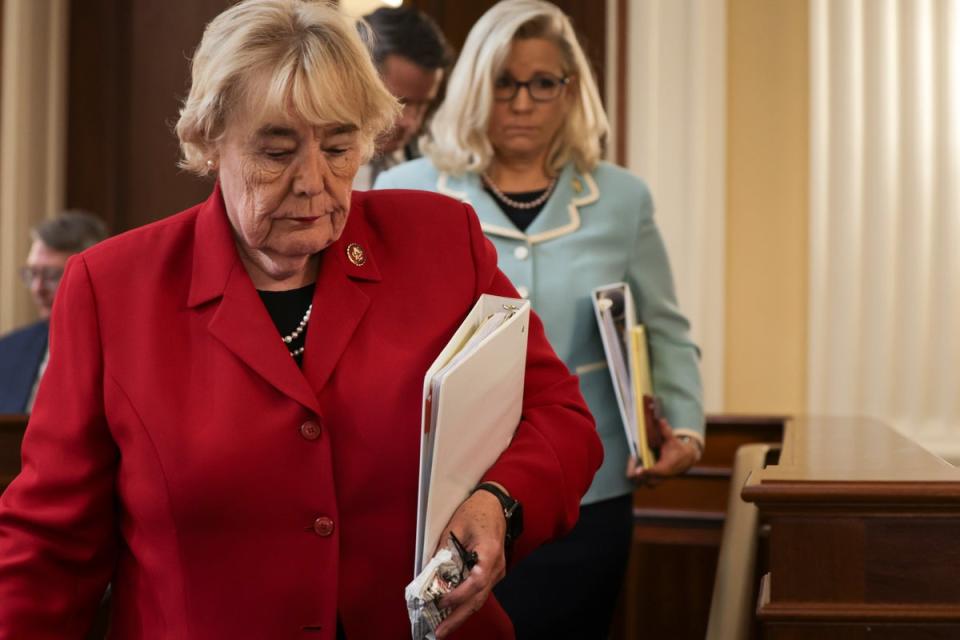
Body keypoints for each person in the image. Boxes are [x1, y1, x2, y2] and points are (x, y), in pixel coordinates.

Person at [0, 1, 602, 638]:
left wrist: (501, 500)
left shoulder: (441, 244)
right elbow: (50, 546)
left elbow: (560, 418)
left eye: (340, 147)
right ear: (208, 141)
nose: (314, 182)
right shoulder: (112, 289)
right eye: (276, 151)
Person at [374, 1, 705, 637]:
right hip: (446, 495)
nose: (522, 103)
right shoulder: (406, 192)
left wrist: (685, 429)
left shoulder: (621, 199)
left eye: (542, 83)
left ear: (570, 92)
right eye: (503, 82)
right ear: (473, 88)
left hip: (590, 491)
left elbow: (664, 326)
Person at [0, 211, 107, 414]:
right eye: (32, 274)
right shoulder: (8, 350)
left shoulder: (122, 350)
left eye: (51, 276)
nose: (37, 288)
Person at [352, 6, 453, 189]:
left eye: (423, 105)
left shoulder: (437, 167)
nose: (411, 122)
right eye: (399, 101)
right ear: (354, 80)